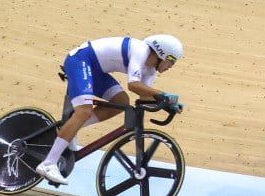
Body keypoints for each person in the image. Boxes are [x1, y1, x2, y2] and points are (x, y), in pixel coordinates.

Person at [34, 34, 184, 184]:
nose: (171, 66)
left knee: (121, 102)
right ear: (161, 53)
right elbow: (133, 85)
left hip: (96, 70)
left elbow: (144, 96)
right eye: (171, 61)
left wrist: (168, 104)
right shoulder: (141, 50)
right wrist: (162, 94)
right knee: (84, 111)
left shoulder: (150, 70)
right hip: (80, 60)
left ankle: (71, 127)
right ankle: (48, 164)